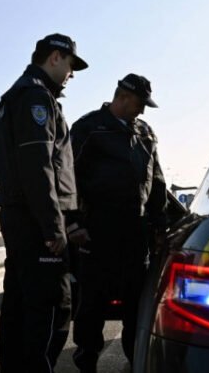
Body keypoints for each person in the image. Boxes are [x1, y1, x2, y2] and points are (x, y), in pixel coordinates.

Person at [69, 74, 177, 372]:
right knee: (91, 305)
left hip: (135, 235)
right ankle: (86, 361)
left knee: (135, 305)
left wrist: (160, 225)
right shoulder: (88, 128)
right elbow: (66, 177)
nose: (142, 111)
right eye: (140, 104)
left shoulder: (145, 133)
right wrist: (73, 222)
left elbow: (156, 183)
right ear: (124, 97)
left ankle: (136, 360)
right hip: (97, 233)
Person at [0, 34, 88, 372]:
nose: (72, 74)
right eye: (71, 65)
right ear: (55, 58)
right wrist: (52, 226)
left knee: (19, 310)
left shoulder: (18, 95)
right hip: (37, 224)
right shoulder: (36, 96)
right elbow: (38, 166)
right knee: (51, 310)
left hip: (22, 218)